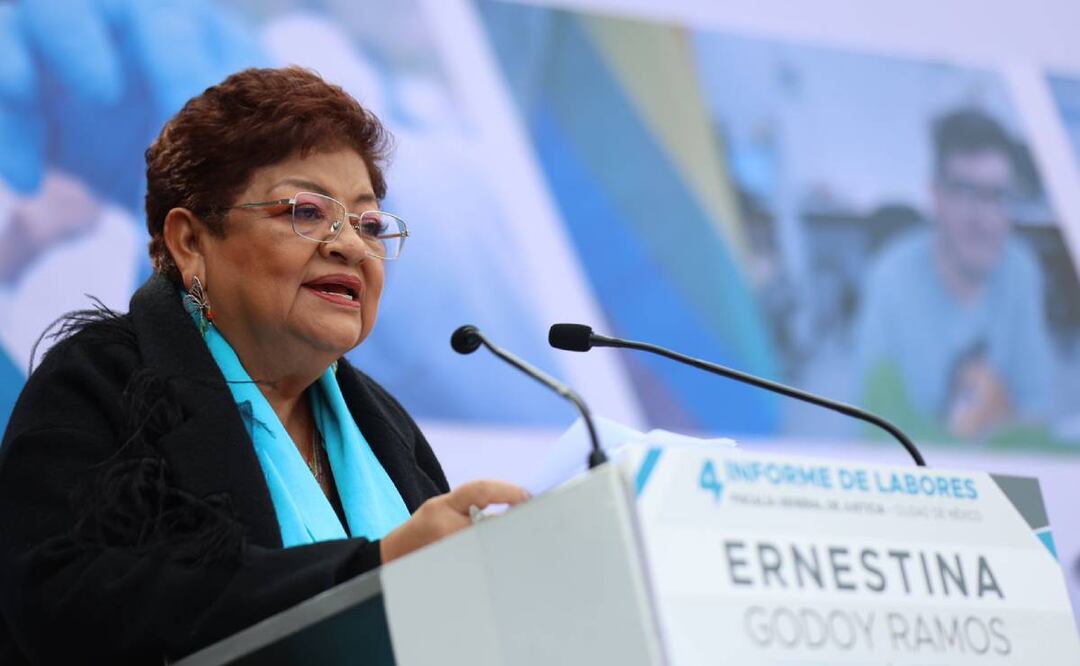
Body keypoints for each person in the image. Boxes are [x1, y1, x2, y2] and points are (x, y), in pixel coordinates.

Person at [0, 67, 529, 663]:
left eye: (369, 223)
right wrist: (369, 572)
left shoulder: (386, 425)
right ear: (191, 242)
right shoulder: (103, 381)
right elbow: (63, 603)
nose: (351, 245)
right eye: (306, 212)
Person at [855, 108, 1053, 442]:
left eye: (999, 195)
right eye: (965, 192)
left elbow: (1035, 410)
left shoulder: (1022, 271)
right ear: (936, 196)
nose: (985, 218)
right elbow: (867, 425)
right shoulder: (890, 279)